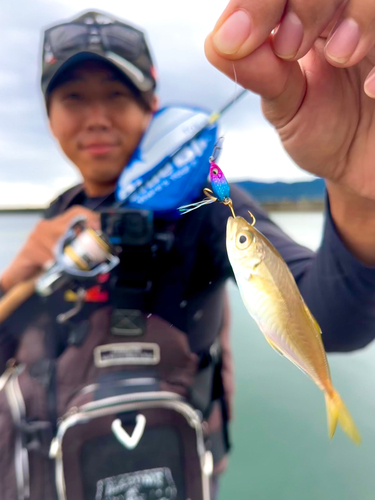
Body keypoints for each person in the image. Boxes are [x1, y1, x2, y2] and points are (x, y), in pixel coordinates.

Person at [1, 3, 375, 499]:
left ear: (151, 105)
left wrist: (355, 190)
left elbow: (333, 316)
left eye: (116, 95)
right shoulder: (54, 219)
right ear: (49, 116)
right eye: (73, 98)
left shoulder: (206, 205)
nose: (96, 117)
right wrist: (21, 270)